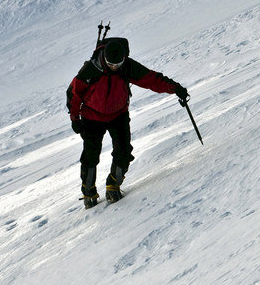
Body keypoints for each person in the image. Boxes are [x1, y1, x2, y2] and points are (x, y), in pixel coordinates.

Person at [66, 38, 188, 208]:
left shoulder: (127, 66)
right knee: (90, 156)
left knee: (123, 151)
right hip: (92, 117)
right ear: (105, 60)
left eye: (118, 64)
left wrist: (175, 88)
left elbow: (152, 80)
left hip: (118, 115)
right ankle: (89, 193)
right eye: (111, 64)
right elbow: (74, 93)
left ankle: (113, 186)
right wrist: (75, 119)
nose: (115, 67)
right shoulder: (91, 69)